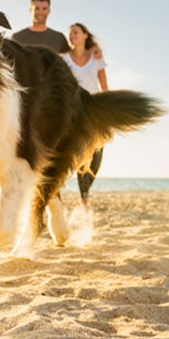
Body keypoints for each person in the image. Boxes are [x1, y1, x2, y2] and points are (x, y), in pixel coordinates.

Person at [61, 22, 109, 205]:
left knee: (97, 153)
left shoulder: (96, 57)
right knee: (80, 151)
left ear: (85, 36)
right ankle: (84, 198)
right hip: (74, 109)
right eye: (70, 33)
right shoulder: (64, 57)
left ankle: (85, 192)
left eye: (76, 32)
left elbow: (104, 86)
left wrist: (107, 109)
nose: (72, 35)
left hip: (95, 109)